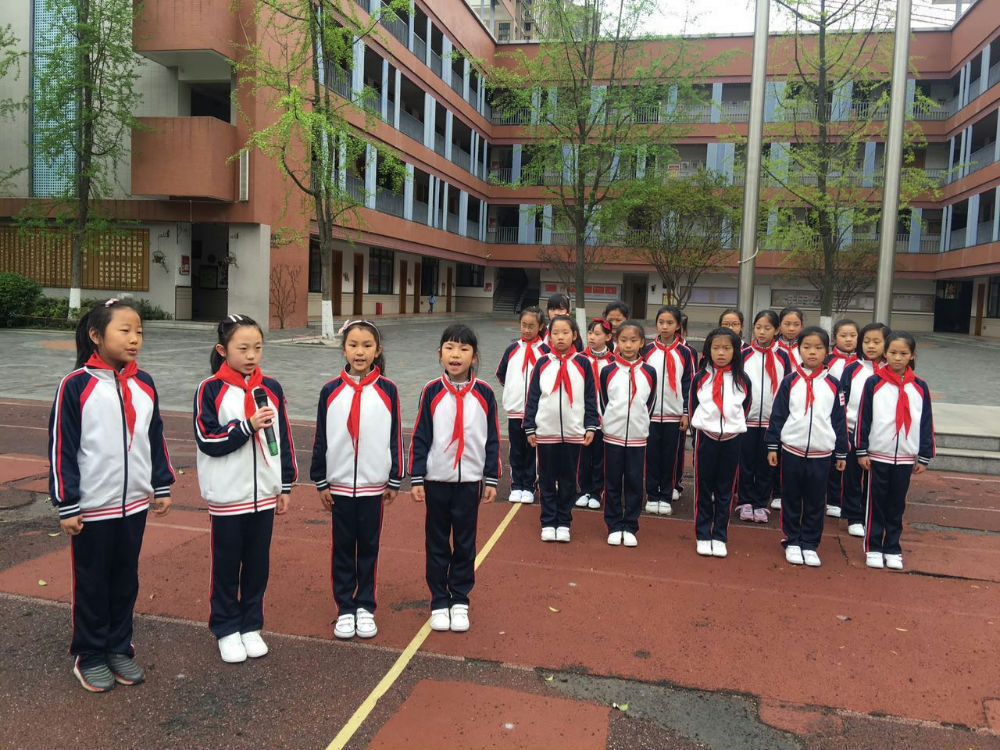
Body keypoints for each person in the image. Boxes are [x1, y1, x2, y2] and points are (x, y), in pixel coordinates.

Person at [48, 298, 175, 692]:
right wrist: (67, 503)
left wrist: (161, 483)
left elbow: (154, 436)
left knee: (125, 580)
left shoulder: (144, 383)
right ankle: (89, 654)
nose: (135, 339)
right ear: (95, 335)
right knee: (93, 583)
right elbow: (62, 448)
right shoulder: (76, 385)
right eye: (125, 331)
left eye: (139, 332)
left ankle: (119, 647)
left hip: (134, 504)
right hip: (92, 508)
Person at [194, 314, 296, 663]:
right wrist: (246, 426)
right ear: (222, 350)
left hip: (264, 495)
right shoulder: (210, 389)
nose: (252, 355)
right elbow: (208, 439)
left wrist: (284, 484)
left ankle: (251, 625)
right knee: (226, 566)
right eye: (243, 348)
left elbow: (283, 438)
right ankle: (226, 628)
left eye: (257, 348)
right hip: (228, 496)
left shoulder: (271, 388)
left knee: (257, 565)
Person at [311, 320, 403, 641]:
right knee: (342, 548)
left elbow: (395, 436)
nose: (359, 352)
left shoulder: (388, 390)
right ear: (344, 349)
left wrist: (394, 477)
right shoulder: (330, 391)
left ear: (378, 350)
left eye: (366, 345)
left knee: (368, 547)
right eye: (353, 345)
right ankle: (345, 608)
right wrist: (320, 480)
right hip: (338, 486)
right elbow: (321, 438)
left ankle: (365, 605)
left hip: (372, 486)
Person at [409, 324, 500, 633]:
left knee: (464, 542)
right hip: (436, 480)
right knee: (436, 542)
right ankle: (439, 600)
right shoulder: (431, 391)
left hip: (470, 482)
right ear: (440, 354)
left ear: (474, 357)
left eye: (463, 349)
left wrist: (491, 477)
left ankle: (459, 599)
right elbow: (421, 435)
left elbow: (492, 438)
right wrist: (417, 476)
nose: (456, 354)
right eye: (449, 347)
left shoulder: (485, 393)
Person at [766, 327, 847, 568]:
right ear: (799, 350)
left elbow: (839, 419)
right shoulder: (789, 381)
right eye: (807, 347)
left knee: (815, 500)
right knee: (791, 497)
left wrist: (841, 451)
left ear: (827, 351)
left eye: (818, 348)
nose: (812, 352)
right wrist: (772, 445)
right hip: (792, 450)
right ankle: (792, 540)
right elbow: (778, 415)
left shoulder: (834, 384)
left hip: (821, 454)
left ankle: (810, 543)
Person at [856, 331, 934, 571]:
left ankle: (892, 547)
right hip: (878, 455)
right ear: (885, 353)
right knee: (875, 503)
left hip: (905, 457)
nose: (897, 358)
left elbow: (926, 422)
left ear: (912, 355)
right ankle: (873, 547)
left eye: (903, 353)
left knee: (896, 504)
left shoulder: (920, 386)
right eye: (892, 352)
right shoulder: (874, 382)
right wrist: (861, 450)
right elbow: (864, 417)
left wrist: (924, 455)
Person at [523, 315, 599, 543]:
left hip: (574, 432)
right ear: (549, 337)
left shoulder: (583, 363)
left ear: (574, 335)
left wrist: (590, 425)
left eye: (565, 332)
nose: (560, 337)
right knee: (546, 479)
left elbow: (590, 397)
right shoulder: (542, 363)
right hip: (546, 432)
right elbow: (533, 397)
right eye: (555, 333)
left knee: (568, 480)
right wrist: (530, 426)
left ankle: (564, 521)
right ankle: (548, 521)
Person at [690, 328, 751, 558]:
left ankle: (720, 535)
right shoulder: (700, 378)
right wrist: (699, 431)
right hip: (706, 438)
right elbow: (693, 406)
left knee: (725, 490)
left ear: (736, 351)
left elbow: (745, 408)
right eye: (716, 348)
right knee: (703, 489)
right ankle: (703, 534)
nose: (721, 353)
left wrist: (732, 427)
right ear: (708, 350)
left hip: (732, 440)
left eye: (727, 348)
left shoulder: (742, 380)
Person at [599, 320, 657, 546]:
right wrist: (612, 423)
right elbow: (604, 401)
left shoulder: (649, 372)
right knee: (612, 481)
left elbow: (649, 403)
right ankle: (614, 524)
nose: (629, 345)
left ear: (642, 342)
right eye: (623, 340)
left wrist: (639, 423)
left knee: (634, 482)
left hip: (637, 438)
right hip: (612, 436)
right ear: (616, 342)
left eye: (633, 340)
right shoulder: (608, 371)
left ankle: (630, 524)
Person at [736, 310, 792, 524]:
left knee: (767, 464)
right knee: (745, 463)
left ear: (776, 330)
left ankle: (760, 503)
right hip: (747, 419)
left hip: (772, 421)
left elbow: (788, 387)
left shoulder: (783, 356)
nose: (762, 332)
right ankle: (745, 501)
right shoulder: (744, 354)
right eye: (758, 327)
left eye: (767, 328)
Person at [839, 322, 890, 537]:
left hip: (881, 435)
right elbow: (842, 399)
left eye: (877, 342)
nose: (871, 346)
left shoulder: (891, 371)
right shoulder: (853, 369)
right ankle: (854, 516)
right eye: (866, 341)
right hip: (853, 431)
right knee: (853, 477)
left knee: (876, 478)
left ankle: (872, 514)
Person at [642, 305, 693, 516]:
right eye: (661, 322)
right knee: (651, 456)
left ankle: (665, 495)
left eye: (670, 323)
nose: (665, 326)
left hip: (674, 415)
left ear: (678, 325)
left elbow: (688, 383)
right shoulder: (647, 350)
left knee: (670, 457)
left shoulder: (685, 352)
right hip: (650, 415)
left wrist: (686, 412)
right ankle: (652, 494)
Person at [495, 307, 548, 504]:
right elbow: (501, 374)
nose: (527, 329)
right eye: (524, 325)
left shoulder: (546, 352)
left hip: (537, 412)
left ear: (540, 326)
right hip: (515, 410)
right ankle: (516, 484)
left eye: (531, 326)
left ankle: (529, 485)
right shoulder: (512, 349)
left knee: (532, 449)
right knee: (516, 449)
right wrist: (512, 390)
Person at [577, 318, 615, 510]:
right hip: (582, 418)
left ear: (608, 337)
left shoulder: (614, 361)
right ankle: (583, 490)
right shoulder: (579, 359)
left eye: (597, 333)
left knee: (600, 457)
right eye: (590, 332)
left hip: (605, 418)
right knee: (583, 457)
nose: (592, 337)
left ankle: (596, 492)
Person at [824, 319, 860, 519]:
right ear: (834, 337)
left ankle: (849, 500)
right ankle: (832, 499)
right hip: (831, 419)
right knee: (833, 461)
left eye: (853, 336)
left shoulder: (862, 363)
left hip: (854, 422)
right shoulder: (827, 361)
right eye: (843, 335)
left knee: (850, 464)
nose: (848, 339)